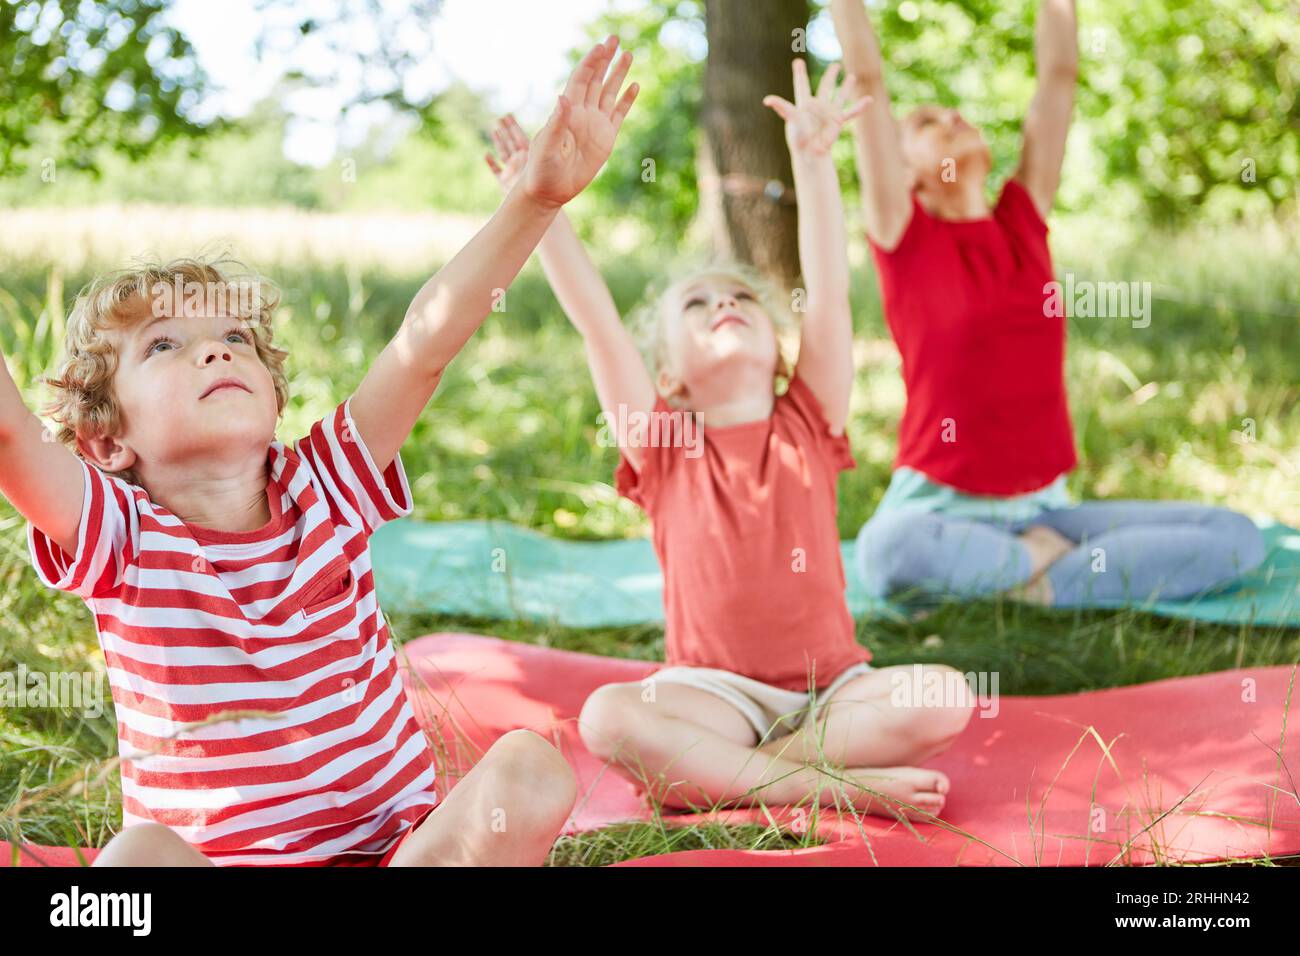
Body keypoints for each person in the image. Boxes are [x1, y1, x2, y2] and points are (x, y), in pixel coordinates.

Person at [0, 36, 639, 866]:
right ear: (105, 439)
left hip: (399, 855)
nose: (216, 351)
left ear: (272, 392)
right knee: (134, 859)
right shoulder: (120, 538)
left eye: (233, 336)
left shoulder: (327, 484)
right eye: (165, 346)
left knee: (529, 767)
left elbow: (424, 343)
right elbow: (12, 435)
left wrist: (537, 201)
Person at [485, 57, 973, 821]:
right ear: (670, 377)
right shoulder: (664, 441)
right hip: (714, 694)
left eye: (741, 296)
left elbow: (832, 291)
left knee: (944, 695)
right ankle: (819, 784)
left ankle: (727, 778)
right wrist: (538, 199)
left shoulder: (809, 417)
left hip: (833, 694)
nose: (725, 304)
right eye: (699, 304)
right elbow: (597, 322)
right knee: (609, 716)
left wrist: (814, 164)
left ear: (778, 350)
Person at [830, 0, 1266, 606]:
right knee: (887, 551)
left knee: (1235, 536)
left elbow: (1058, 76)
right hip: (938, 512)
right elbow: (868, 81)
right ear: (905, 175)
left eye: (952, 111)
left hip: (1047, 514)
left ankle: (1019, 579)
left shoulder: (1021, 222)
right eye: (928, 123)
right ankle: (1051, 576)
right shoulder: (906, 240)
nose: (952, 115)